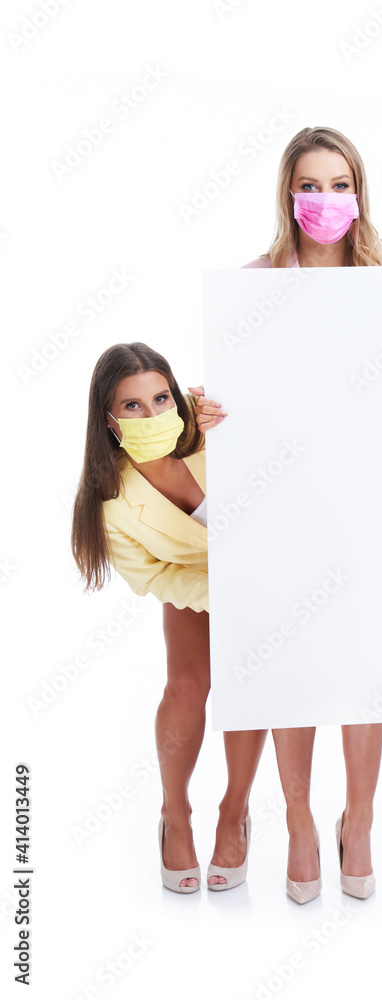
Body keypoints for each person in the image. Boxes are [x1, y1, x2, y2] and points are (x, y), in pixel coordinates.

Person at [240, 125, 382, 903]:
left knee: (368, 662)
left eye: (339, 184)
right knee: (293, 663)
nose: (325, 199)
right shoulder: (253, 281)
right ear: (288, 194)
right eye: (309, 185)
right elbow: (237, 397)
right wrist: (213, 410)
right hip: (285, 502)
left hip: (372, 493)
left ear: (359, 192)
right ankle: (301, 821)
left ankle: (362, 819)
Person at [71, 343, 268, 893]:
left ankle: (235, 811)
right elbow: (150, 575)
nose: (153, 414)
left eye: (161, 398)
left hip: (266, 565)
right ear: (108, 420)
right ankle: (174, 811)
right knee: (187, 685)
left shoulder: (212, 430)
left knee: (246, 684)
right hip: (191, 580)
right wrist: (220, 589)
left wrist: (224, 411)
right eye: (132, 406)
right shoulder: (109, 500)